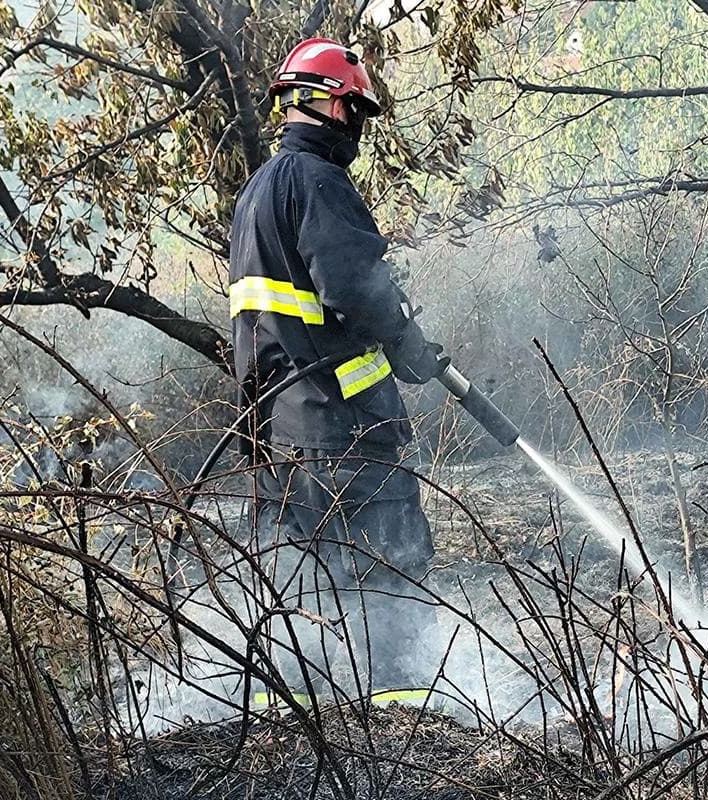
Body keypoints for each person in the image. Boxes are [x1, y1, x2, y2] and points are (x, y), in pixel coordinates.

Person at [228, 37, 444, 705]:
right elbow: (356, 287)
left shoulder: (256, 194)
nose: (358, 129)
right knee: (389, 561)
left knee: (301, 579)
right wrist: (409, 343)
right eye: (356, 112)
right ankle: (403, 714)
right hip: (347, 431)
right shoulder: (320, 184)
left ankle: (289, 716)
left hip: (282, 437)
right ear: (328, 105)